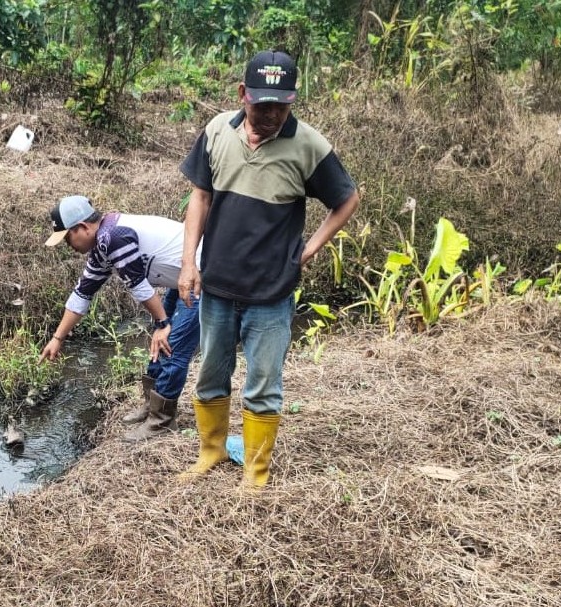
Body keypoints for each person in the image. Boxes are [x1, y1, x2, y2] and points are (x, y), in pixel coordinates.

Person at [177, 50, 360, 487]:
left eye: (281, 104)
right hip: (218, 284)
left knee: (262, 383)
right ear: (243, 94)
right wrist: (189, 262)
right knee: (210, 374)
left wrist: (310, 248)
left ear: (292, 100)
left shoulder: (309, 145)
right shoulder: (218, 131)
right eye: (262, 104)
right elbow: (200, 197)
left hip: (272, 292)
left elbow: (347, 199)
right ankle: (211, 451)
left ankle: (256, 472)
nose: (271, 114)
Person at [39, 195, 201, 442]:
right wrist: (57, 338)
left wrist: (162, 324)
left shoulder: (113, 237)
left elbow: (137, 285)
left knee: (173, 347)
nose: (67, 245)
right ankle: (151, 405)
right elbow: (82, 293)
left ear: (83, 227)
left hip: (202, 279)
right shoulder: (102, 247)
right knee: (160, 346)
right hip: (180, 281)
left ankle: (161, 421)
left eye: (67, 238)